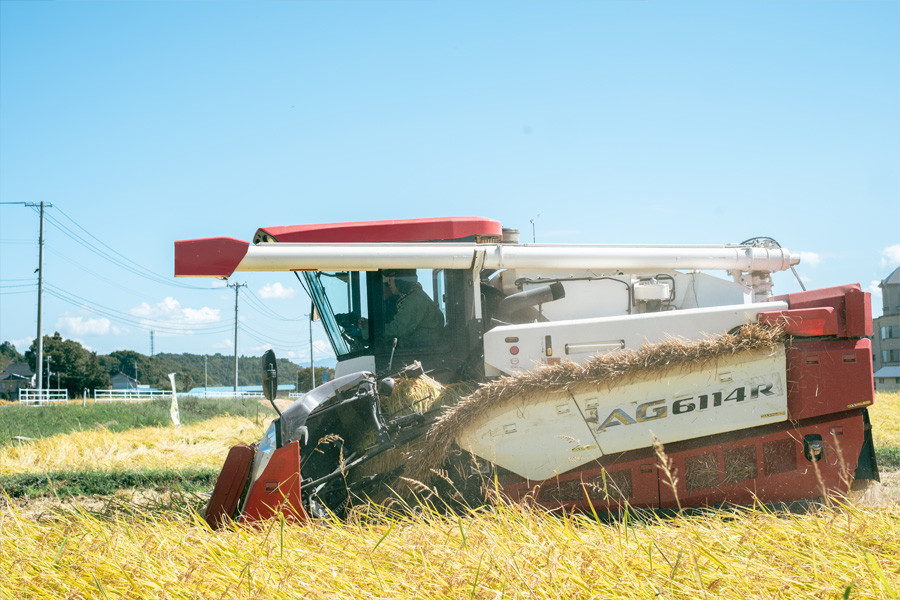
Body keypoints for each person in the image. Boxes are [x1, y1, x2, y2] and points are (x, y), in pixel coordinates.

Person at [364, 269, 444, 348]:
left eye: (390, 279)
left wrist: (365, 332)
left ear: (400, 280)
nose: (388, 283)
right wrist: (370, 325)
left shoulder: (415, 299)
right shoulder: (412, 297)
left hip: (421, 351)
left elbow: (397, 330)